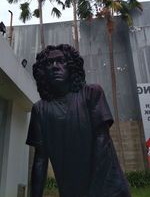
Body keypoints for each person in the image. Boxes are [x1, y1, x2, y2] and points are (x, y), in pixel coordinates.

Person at [26, 44, 131, 197]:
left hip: (108, 189)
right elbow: (40, 159)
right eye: (49, 63)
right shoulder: (40, 110)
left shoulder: (92, 94)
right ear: (43, 71)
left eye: (61, 61)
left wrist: (94, 191)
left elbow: (102, 141)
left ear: (71, 66)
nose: (55, 66)